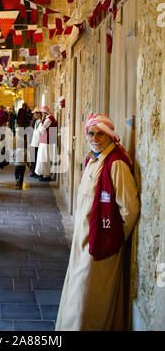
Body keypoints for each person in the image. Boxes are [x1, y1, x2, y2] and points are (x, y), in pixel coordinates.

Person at [56, 114, 140, 331]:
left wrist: (112, 238)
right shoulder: (94, 159)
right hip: (83, 241)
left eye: (100, 133)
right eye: (91, 133)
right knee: (78, 292)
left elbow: (129, 208)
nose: (94, 138)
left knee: (89, 298)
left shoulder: (116, 163)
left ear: (109, 135)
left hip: (102, 243)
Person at [34, 106, 57, 182]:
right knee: (43, 158)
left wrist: (41, 122)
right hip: (45, 140)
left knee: (45, 158)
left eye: (42, 113)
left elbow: (41, 129)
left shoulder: (49, 119)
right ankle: (43, 174)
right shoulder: (48, 118)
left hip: (47, 141)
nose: (42, 114)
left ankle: (46, 175)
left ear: (45, 113)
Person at [29, 108, 42, 177]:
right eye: (33, 114)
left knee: (37, 156)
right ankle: (33, 170)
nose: (34, 115)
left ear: (38, 114)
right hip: (34, 141)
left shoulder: (40, 121)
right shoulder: (35, 121)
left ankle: (36, 171)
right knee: (33, 156)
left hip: (38, 141)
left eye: (35, 113)